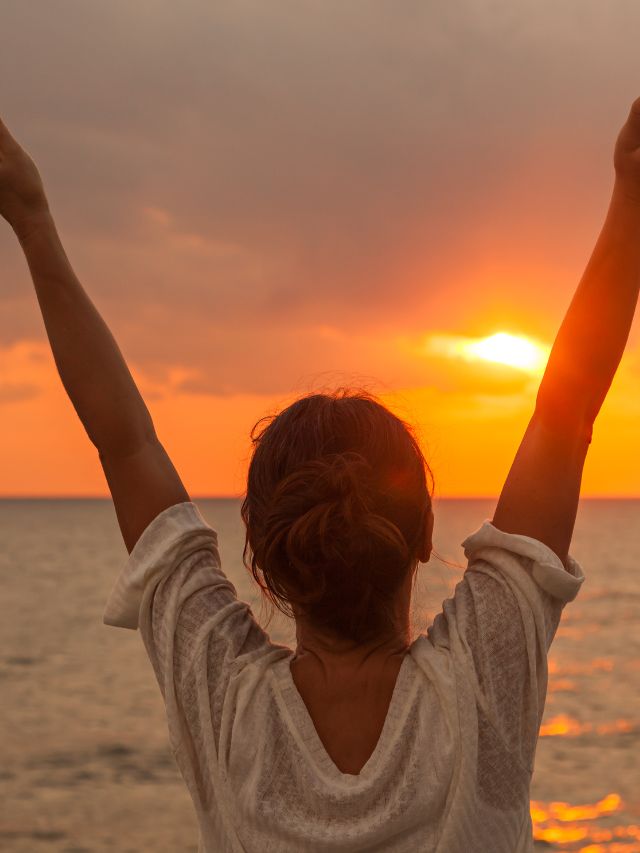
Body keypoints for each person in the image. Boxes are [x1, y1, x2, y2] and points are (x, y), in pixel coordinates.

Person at [1, 96, 639, 853]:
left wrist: (30, 215)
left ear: (262, 557)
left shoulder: (225, 704)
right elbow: (566, 417)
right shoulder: (480, 687)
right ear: (424, 532)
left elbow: (125, 444)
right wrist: (630, 195)